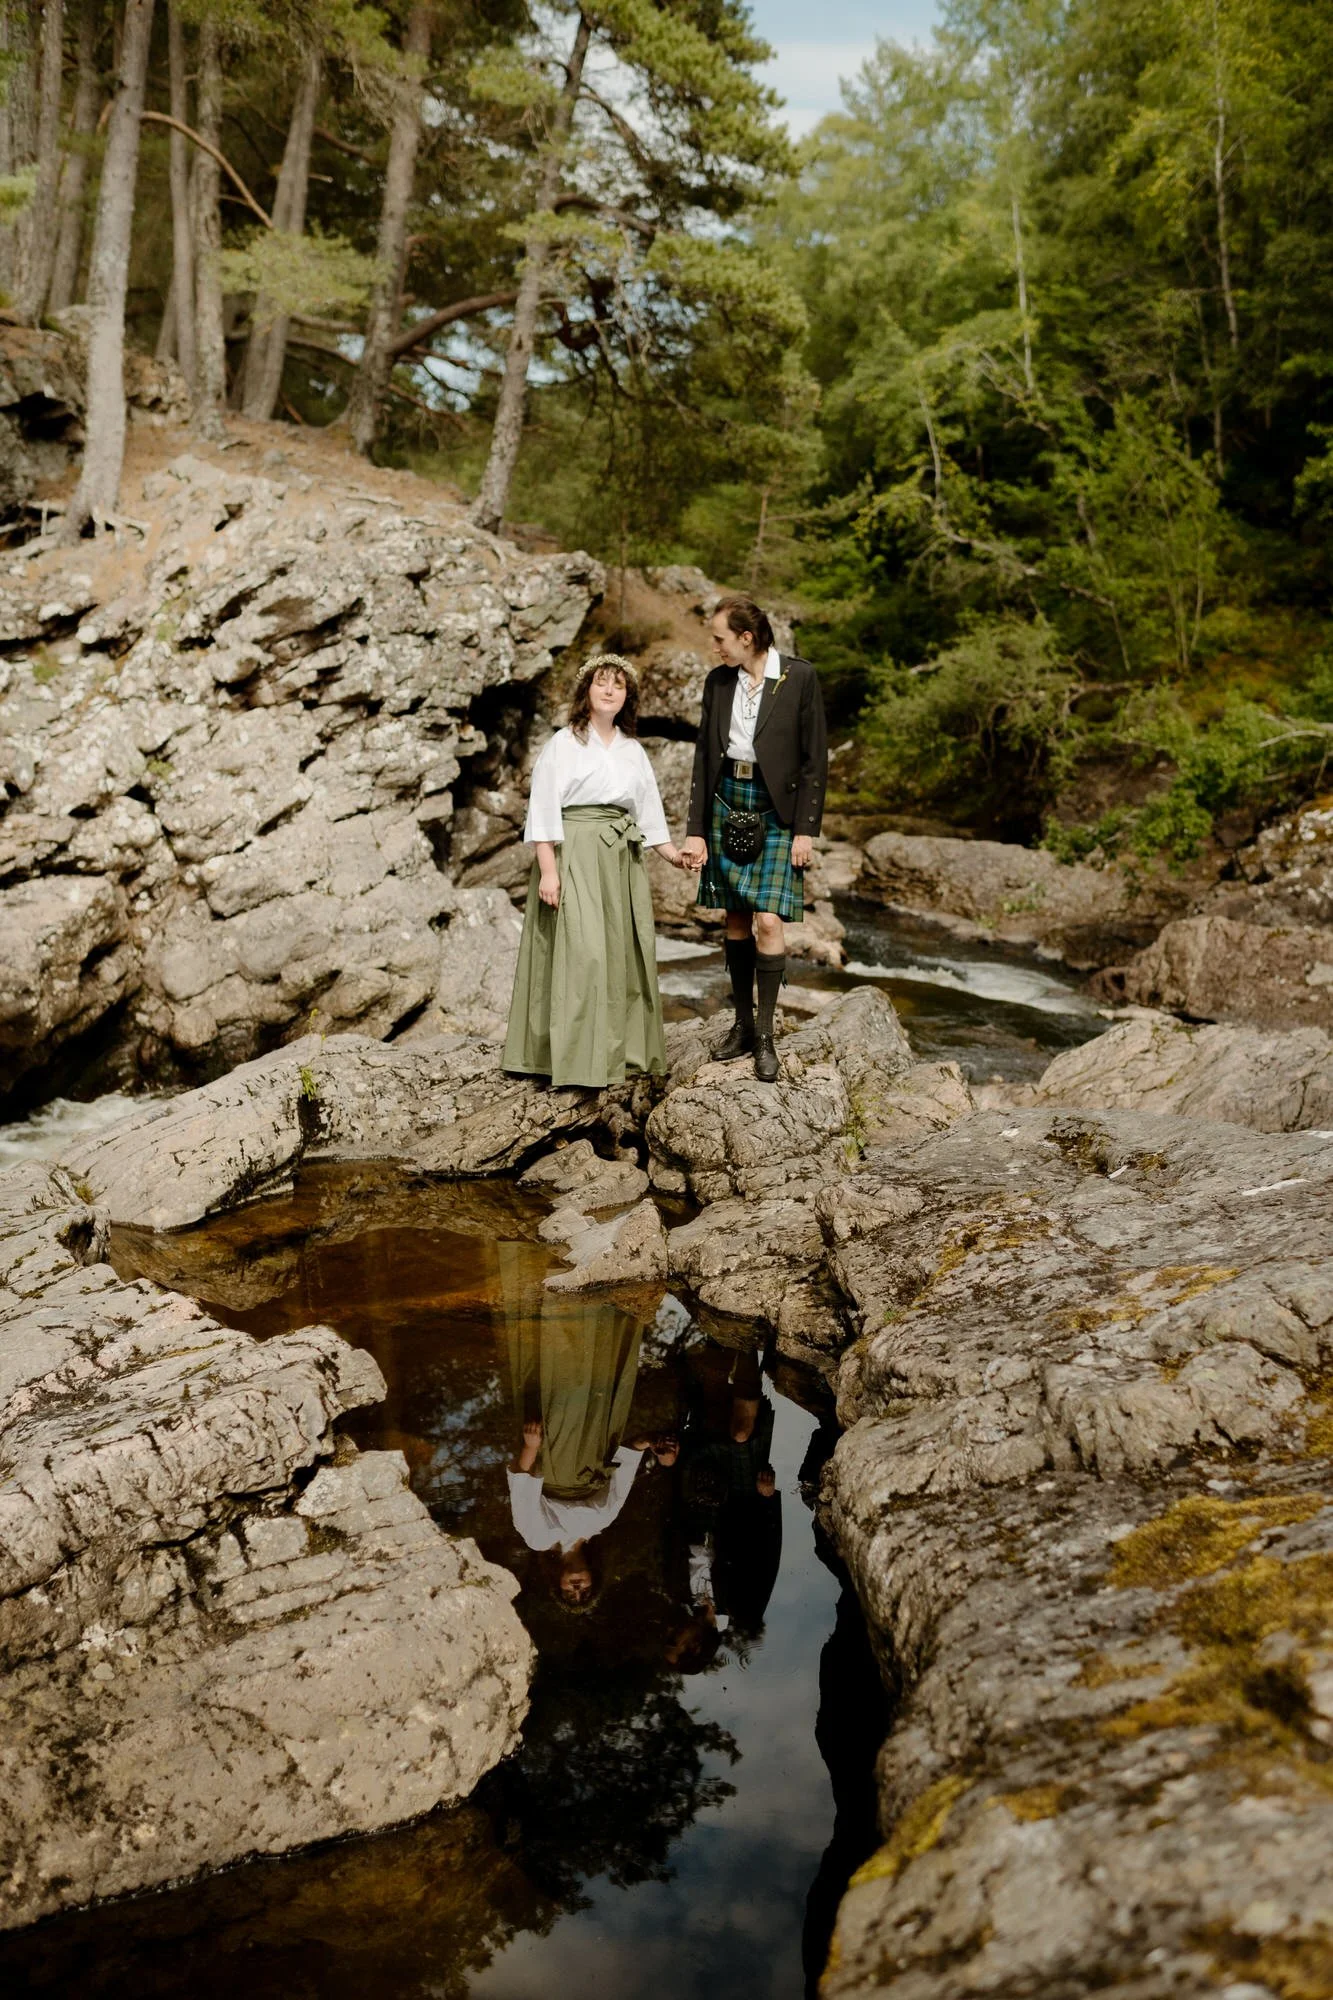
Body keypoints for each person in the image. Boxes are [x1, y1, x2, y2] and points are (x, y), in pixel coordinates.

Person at [503, 653, 693, 1090]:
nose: (610, 690)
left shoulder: (632, 749)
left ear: (627, 697)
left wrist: (674, 856)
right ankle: (568, 1058)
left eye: (619, 685)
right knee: (582, 952)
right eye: (602, 683)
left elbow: (648, 815)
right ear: (586, 690)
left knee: (620, 951)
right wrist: (549, 872)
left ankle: (618, 1054)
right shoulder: (563, 743)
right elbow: (543, 810)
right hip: (576, 852)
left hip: (620, 859)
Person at [682, 596, 828, 1081]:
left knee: (769, 920)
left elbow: (814, 761)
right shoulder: (718, 682)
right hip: (727, 798)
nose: (715, 646)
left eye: (720, 638)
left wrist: (806, 830)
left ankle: (764, 1035)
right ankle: (741, 1026)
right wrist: (696, 831)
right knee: (737, 917)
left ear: (747, 638)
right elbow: (705, 757)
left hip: (776, 808)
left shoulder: (798, 678)